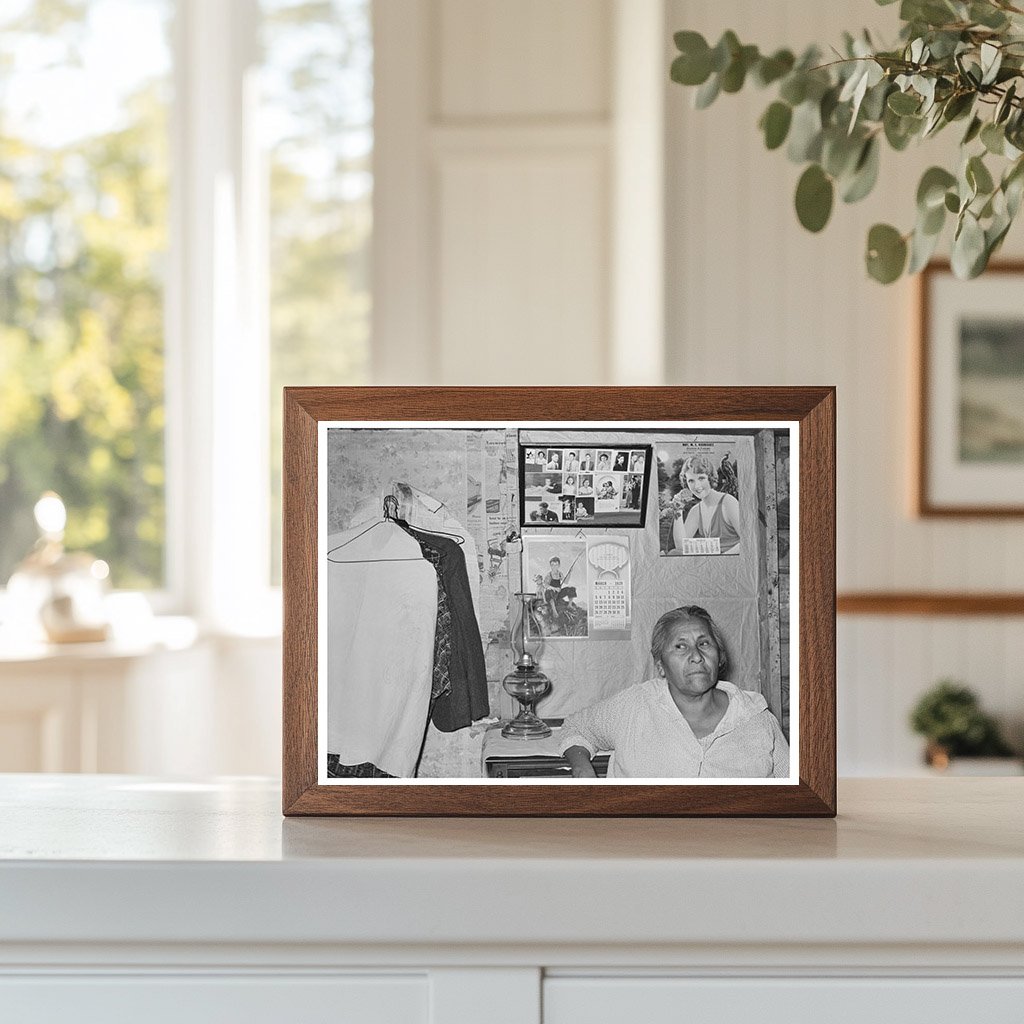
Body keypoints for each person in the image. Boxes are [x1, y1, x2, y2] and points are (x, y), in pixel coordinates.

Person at [561, 606, 789, 778]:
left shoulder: (756, 718)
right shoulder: (634, 706)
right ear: (660, 665)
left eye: (704, 644)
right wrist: (583, 771)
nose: (696, 656)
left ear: (719, 657)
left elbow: (793, 787)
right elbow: (576, 727)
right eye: (681, 646)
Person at [671, 453, 740, 554]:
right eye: (691, 481)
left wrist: (722, 558)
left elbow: (747, 540)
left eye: (701, 478)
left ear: (710, 478)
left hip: (732, 560)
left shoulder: (728, 502)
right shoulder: (695, 510)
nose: (697, 486)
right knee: (674, 553)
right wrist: (677, 509)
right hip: (710, 562)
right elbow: (681, 547)